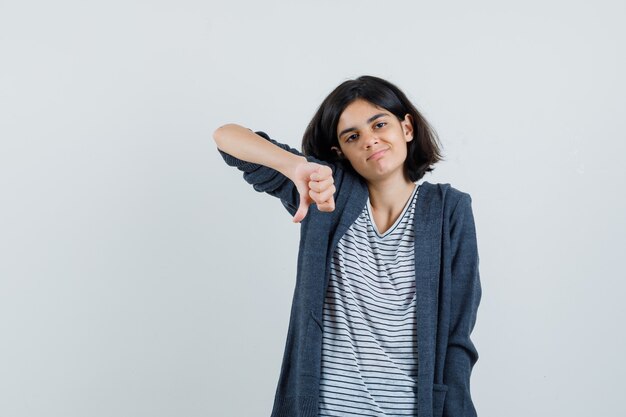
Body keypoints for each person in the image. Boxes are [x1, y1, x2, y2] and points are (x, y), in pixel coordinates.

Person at [213, 75, 481, 417]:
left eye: (379, 124)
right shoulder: (326, 191)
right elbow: (225, 137)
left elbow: (457, 339)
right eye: (353, 136)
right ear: (341, 152)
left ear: (407, 128)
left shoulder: (448, 210)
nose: (370, 141)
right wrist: (297, 166)